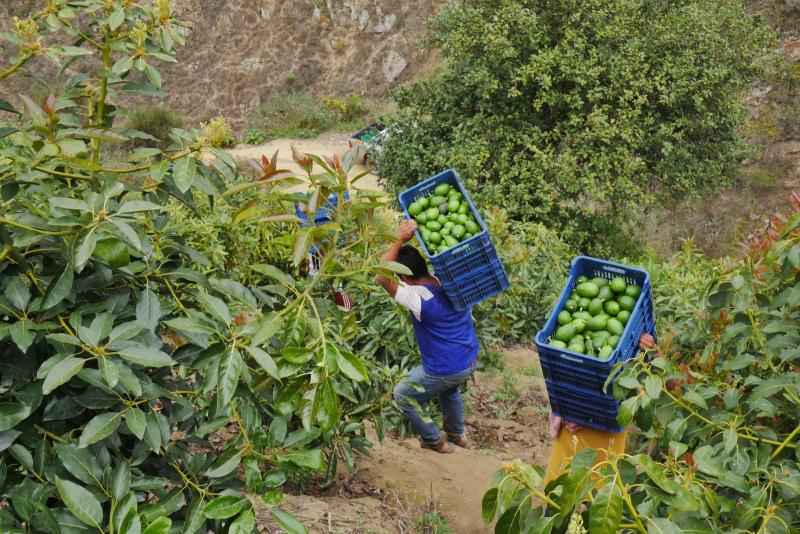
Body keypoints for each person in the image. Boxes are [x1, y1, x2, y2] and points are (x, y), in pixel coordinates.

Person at [375, 219, 479, 453]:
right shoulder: (445, 280)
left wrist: (399, 238)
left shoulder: (417, 297)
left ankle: (434, 441)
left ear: (404, 278)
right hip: (469, 357)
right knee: (449, 389)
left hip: (448, 367)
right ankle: (458, 435)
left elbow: (381, 277)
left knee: (402, 394)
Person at [544, 333, 660, 482]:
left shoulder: (636, 347)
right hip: (570, 443)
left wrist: (654, 351)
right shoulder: (583, 348)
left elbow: (666, 384)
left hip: (606, 451)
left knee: (598, 489)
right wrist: (568, 407)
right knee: (560, 488)